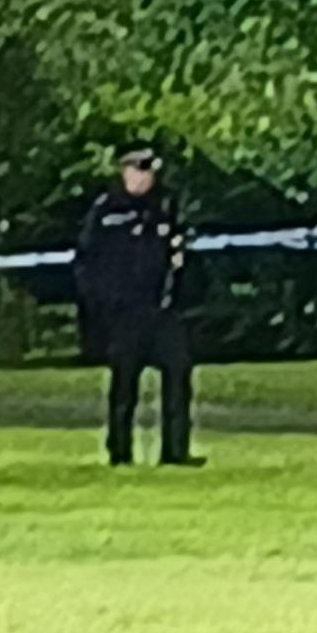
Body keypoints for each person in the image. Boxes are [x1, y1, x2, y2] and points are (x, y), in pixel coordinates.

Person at [73, 148, 200, 468]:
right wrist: (101, 305)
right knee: (124, 385)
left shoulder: (164, 208)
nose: (145, 178)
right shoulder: (105, 211)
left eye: (149, 172)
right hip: (123, 314)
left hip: (161, 310)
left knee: (178, 374)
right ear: (125, 172)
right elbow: (87, 262)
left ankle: (176, 452)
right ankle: (119, 453)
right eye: (139, 171)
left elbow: (180, 250)